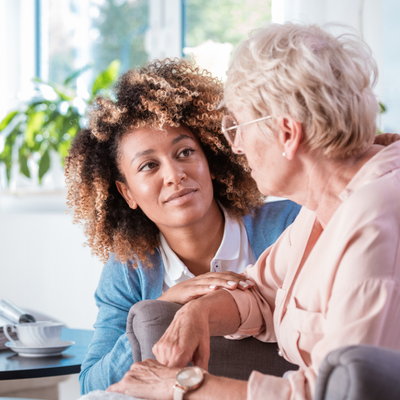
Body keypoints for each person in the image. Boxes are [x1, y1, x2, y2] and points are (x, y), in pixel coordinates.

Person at [107, 23, 400, 400]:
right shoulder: (321, 207)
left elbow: (340, 394)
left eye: (239, 126)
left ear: (287, 133)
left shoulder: (376, 216)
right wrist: (199, 313)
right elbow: (261, 293)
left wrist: (185, 387)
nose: (238, 146)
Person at [64, 59, 300, 393]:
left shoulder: (290, 224)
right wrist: (166, 305)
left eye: (185, 152)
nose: (175, 174)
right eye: (148, 165)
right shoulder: (129, 272)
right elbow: (91, 385)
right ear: (127, 192)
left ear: (211, 160)